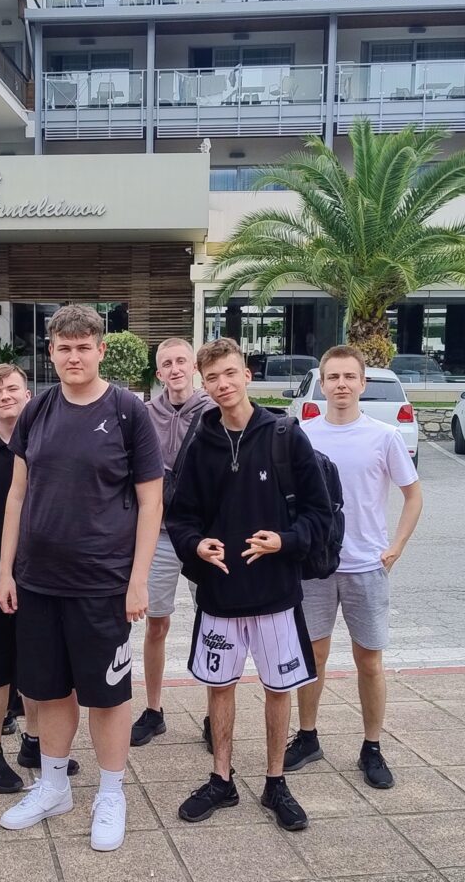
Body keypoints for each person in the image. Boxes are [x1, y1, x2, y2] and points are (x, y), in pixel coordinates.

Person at [0, 304, 163, 852]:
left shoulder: (128, 411)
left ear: (100, 350)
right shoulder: (37, 411)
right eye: (64, 348)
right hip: (39, 580)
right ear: (51, 352)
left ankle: (111, 793)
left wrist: (138, 579)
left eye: (83, 347)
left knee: (108, 695)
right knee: (47, 690)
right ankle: (53, 786)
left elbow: (151, 501)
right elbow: (17, 494)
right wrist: (6, 570)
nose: (74, 356)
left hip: (103, 582)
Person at [167, 337, 332, 832]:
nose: (222, 384)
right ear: (204, 383)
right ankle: (222, 779)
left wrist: (285, 540)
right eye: (212, 378)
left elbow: (319, 513)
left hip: (276, 594)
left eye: (230, 373)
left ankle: (275, 781)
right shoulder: (200, 442)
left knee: (279, 690)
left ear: (247, 375)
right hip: (220, 595)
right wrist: (196, 545)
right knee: (220, 688)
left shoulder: (285, 435)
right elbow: (180, 516)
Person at [285, 345, 422, 788]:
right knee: (313, 656)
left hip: (366, 566)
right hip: (316, 567)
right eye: (333, 377)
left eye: (349, 377)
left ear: (362, 383)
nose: (341, 384)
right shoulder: (302, 435)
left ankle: (372, 746)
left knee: (369, 661)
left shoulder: (384, 436)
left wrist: (396, 547)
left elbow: (413, 495)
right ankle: (308, 737)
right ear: (321, 384)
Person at [0, 362, 80, 791]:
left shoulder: (47, 440)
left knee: (37, 665)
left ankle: (34, 743)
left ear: (28, 394)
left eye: (12, 388)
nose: (5, 396)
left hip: (42, 575)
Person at [131, 337, 214, 747]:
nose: (175, 369)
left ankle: (215, 713)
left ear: (193, 366)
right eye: (167, 363)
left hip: (204, 534)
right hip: (161, 534)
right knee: (157, 624)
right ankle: (154, 709)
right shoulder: (145, 414)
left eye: (182, 361)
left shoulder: (214, 410)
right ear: (159, 372)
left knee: (214, 625)